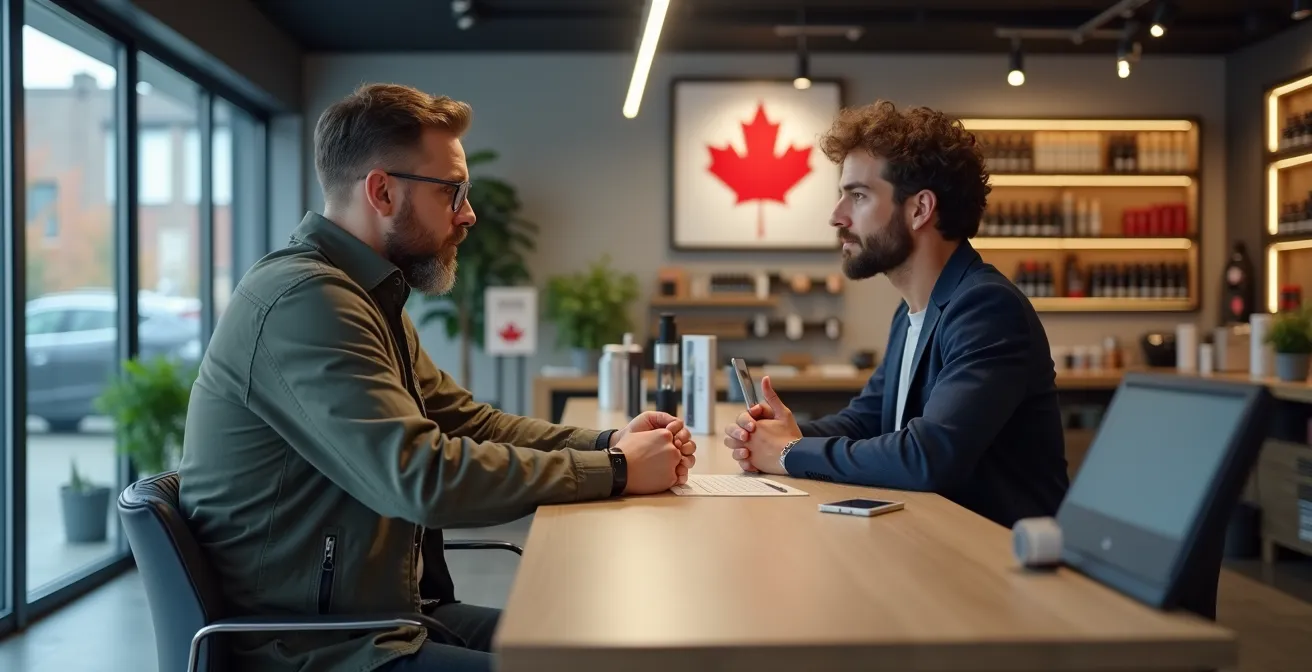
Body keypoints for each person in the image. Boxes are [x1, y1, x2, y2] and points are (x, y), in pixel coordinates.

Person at [178, 83, 696, 672]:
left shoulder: (366, 298)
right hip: (315, 646)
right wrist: (620, 470)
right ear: (381, 190)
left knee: (600, 649)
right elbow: (421, 477)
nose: (468, 213)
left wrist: (607, 443)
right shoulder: (306, 302)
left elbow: (470, 422)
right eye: (452, 191)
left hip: (384, 617)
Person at [722, 101, 1068, 528]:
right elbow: (867, 421)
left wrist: (789, 452)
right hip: (934, 541)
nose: (836, 216)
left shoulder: (986, 308)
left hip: (995, 562)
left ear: (920, 209)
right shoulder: (910, 314)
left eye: (859, 196)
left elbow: (927, 457)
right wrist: (778, 435)